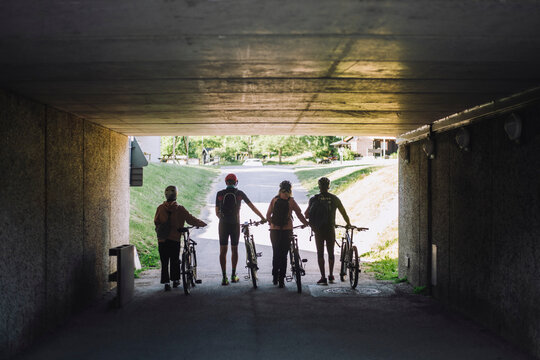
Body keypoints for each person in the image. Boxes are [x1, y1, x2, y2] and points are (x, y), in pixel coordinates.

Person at [216, 173, 266, 286]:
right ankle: (233, 276)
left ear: (226, 182)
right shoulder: (239, 193)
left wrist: (224, 219)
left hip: (223, 225)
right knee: (234, 250)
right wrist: (262, 217)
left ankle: (224, 278)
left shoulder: (220, 194)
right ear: (236, 182)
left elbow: (216, 213)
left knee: (223, 251)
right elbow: (252, 206)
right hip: (235, 224)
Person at [154, 185, 207, 291]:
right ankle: (175, 280)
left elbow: (156, 221)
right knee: (174, 260)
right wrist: (201, 223)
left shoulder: (160, 208)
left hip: (162, 239)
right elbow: (190, 219)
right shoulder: (179, 209)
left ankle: (166, 283)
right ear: (176, 195)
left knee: (164, 262)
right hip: (174, 239)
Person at [305, 177, 351, 285]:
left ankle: (323, 277)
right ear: (328, 186)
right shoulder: (334, 199)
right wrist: (348, 223)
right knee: (331, 253)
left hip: (318, 230)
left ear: (319, 186)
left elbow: (306, 214)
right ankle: (331, 275)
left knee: (320, 254)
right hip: (330, 229)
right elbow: (343, 213)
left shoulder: (314, 199)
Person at [266, 180, 309, 288]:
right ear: (290, 190)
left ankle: (275, 277)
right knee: (284, 255)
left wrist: (272, 224)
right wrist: (306, 223)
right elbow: (299, 214)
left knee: (276, 253)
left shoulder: (274, 200)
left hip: (274, 231)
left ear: (280, 189)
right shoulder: (291, 201)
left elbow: (268, 215)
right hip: (287, 230)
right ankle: (282, 280)